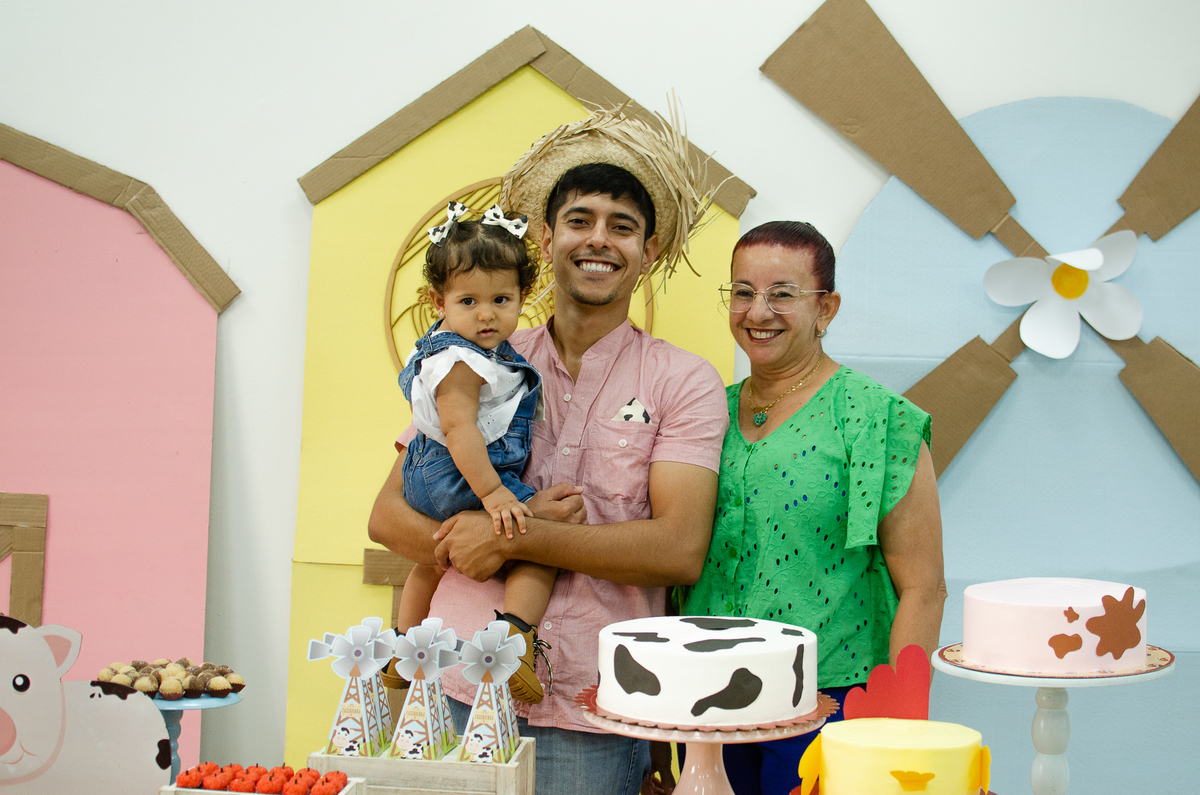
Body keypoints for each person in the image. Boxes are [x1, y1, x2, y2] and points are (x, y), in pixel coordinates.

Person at [368, 106, 729, 795]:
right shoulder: (475, 361)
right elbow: (387, 515)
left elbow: (678, 549)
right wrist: (473, 539)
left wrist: (509, 536)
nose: (599, 240)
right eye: (579, 220)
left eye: (622, 226)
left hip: (595, 709)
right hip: (456, 683)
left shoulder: (684, 381)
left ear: (649, 249)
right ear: (545, 237)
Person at [680, 221, 947, 795]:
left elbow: (924, 588)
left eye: (782, 294)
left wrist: (899, 727)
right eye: (743, 292)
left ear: (826, 308)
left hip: (828, 705)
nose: (758, 312)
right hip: (706, 698)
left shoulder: (877, 419)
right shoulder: (704, 413)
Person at [393, 201, 555, 704]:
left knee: (430, 563)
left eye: (501, 299)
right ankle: (514, 641)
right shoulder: (462, 360)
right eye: (468, 301)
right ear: (437, 301)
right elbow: (459, 429)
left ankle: (404, 647)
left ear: (524, 295)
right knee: (543, 541)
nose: (486, 314)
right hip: (458, 473)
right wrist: (494, 494)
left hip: (428, 473)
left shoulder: (461, 348)